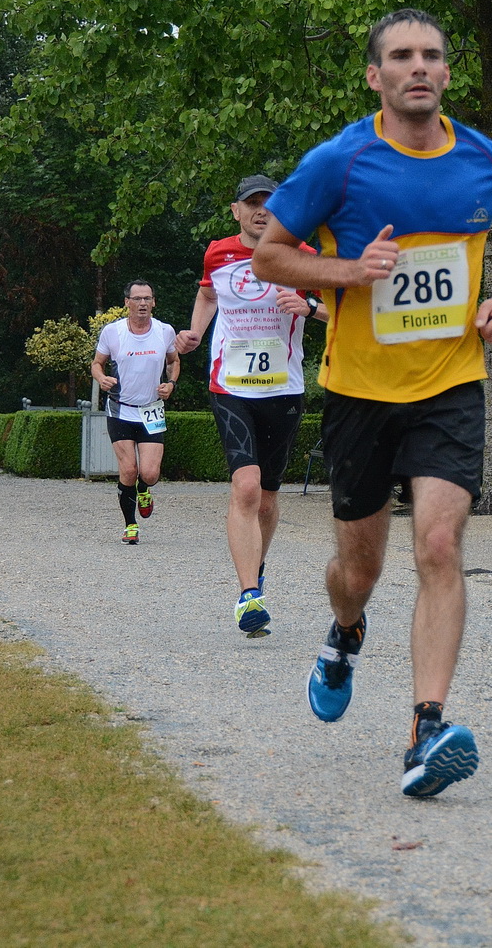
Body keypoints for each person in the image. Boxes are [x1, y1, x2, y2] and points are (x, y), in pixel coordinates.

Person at [252, 8, 492, 800]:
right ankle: (345, 634)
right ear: (375, 76)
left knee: (440, 545)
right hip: (358, 394)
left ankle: (427, 726)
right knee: (360, 568)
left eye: (433, 56)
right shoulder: (340, 163)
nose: (419, 67)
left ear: (448, 73)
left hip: (450, 385)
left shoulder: (488, 162)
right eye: (402, 57)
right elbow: (269, 254)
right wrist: (349, 272)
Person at [176, 173, 328, 637]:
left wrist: (308, 308)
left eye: (271, 202)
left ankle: (256, 572)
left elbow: (342, 310)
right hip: (230, 386)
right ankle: (248, 597)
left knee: (267, 499)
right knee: (245, 487)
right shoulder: (218, 253)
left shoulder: (303, 255)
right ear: (236, 211)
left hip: (283, 389)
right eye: (252, 203)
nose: (262, 210)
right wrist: (196, 332)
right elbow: (207, 293)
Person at [91, 281, 180, 545]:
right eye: (137, 298)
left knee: (150, 474)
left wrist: (171, 384)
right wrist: (101, 378)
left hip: (151, 410)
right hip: (120, 410)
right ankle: (130, 525)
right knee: (128, 470)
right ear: (127, 302)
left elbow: (174, 361)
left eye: (147, 299)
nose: (142, 303)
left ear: (154, 302)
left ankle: (144, 489)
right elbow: (97, 364)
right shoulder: (113, 332)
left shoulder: (164, 331)